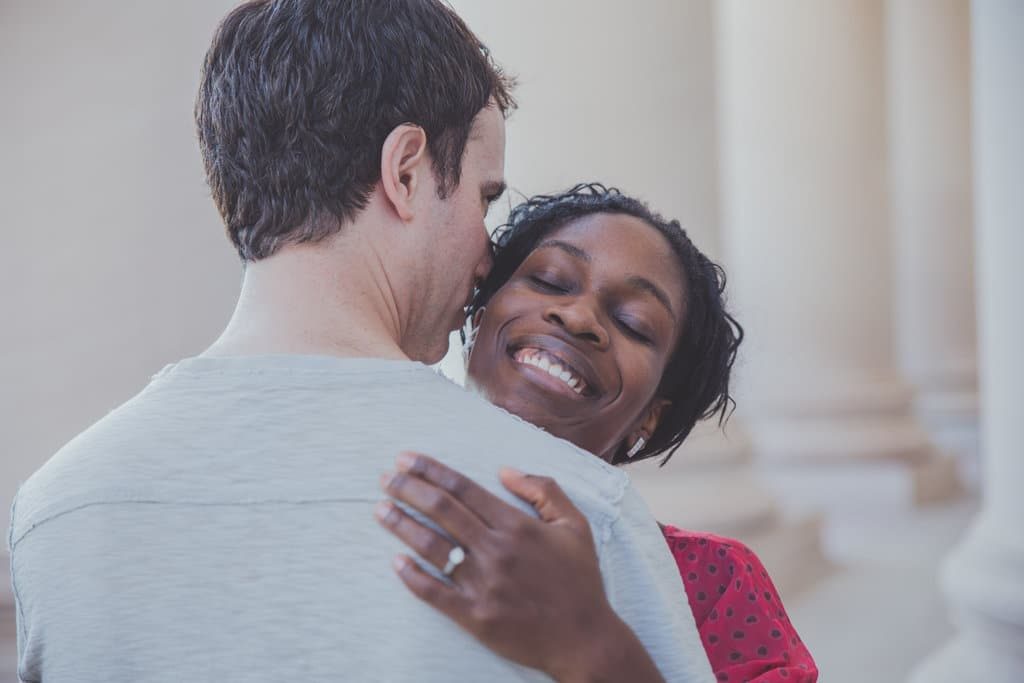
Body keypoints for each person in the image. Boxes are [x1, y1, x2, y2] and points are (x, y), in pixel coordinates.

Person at [6, 3, 712, 682]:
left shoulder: (62, 507)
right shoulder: (571, 516)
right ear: (405, 171)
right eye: (482, 198)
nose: (488, 254)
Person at [375, 184, 818, 681]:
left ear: (649, 418)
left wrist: (590, 641)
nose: (578, 317)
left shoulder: (714, 583)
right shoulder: (366, 503)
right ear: (478, 322)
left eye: (634, 323)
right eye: (550, 281)